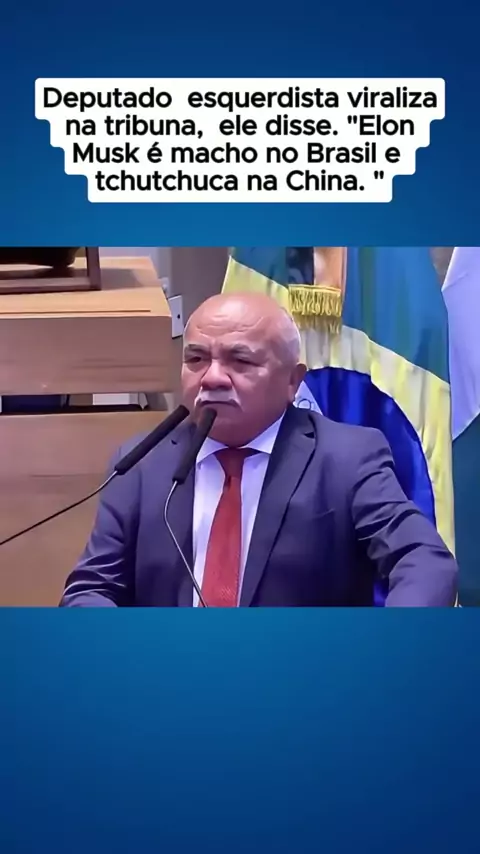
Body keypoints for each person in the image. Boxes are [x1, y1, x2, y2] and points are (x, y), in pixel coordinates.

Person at [60, 292, 458, 607]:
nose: (212, 378)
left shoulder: (346, 458)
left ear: (292, 381)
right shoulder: (142, 463)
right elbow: (92, 589)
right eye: (196, 359)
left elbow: (423, 560)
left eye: (240, 361)